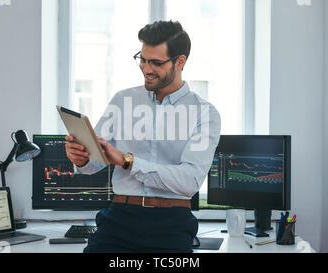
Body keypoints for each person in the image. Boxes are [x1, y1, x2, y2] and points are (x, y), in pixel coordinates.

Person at [65, 20, 221, 253]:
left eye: (156, 63)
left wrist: (127, 161)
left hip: (172, 223)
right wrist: (82, 158)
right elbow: (93, 163)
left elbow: (189, 181)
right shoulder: (122, 101)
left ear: (180, 62)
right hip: (119, 219)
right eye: (143, 59)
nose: (147, 69)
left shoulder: (205, 113)